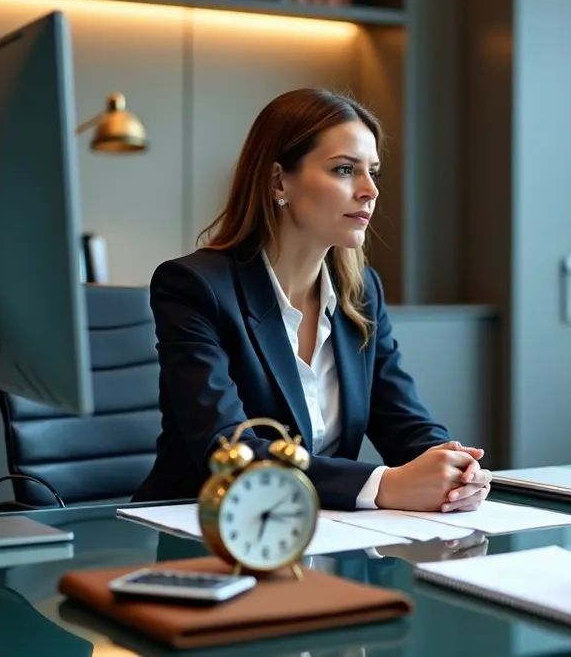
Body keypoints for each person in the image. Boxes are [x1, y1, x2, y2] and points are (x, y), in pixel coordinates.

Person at [133, 89, 492, 513]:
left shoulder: (361, 291)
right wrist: (381, 485)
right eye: (345, 170)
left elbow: (402, 419)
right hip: (206, 531)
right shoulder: (195, 287)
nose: (370, 191)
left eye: (373, 172)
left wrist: (451, 468)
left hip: (320, 532)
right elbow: (227, 451)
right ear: (277, 180)